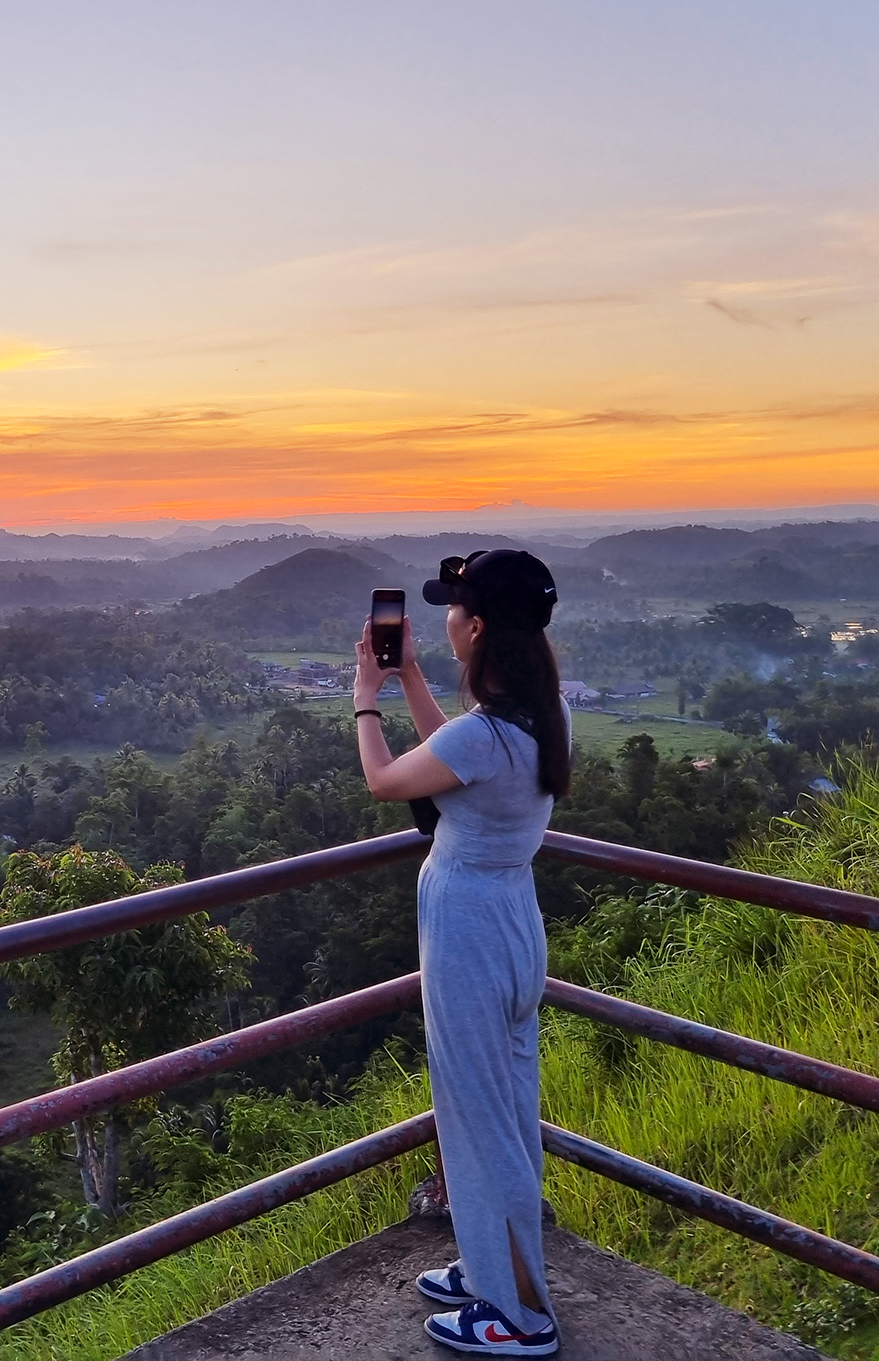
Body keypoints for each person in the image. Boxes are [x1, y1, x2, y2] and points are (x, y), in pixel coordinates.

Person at [352, 549, 570, 1357]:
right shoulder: (537, 716)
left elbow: (388, 781)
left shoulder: (489, 732)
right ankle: (494, 1270)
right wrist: (410, 678)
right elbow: (451, 759)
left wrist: (363, 699)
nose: (445, 620)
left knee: (476, 1115)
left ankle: (519, 1316)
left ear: (476, 628)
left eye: (453, 610)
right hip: (512, 917)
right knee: (504, 1108)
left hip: (470, 929)